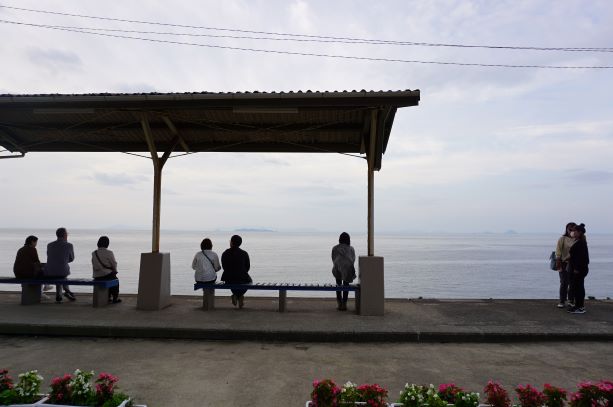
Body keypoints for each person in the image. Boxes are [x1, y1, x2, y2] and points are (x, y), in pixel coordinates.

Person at [44, 227, 76, 303]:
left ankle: (60, 295)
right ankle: (66, 292)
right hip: (62, 272)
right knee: (61, 274)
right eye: (67, 234)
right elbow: (71, 259)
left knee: (59, 273)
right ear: (65, 235)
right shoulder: (69, 245)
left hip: (49, 271)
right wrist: (64, 260)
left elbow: (49, 256)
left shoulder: (49, 245)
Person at [221, 235, 251, 309]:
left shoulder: (225, 253)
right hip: (241, 277)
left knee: (233, 281)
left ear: (231, 242)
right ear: (240, 243)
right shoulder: (244, 253)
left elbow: (224, 267)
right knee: (249, 281)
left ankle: (236, 295)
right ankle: (239, 296)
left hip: (228, 278)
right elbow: (247, 268)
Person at [91, 236, 121, 304]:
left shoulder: (94, 253)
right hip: (106, 275)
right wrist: (115, 271)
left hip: (97, 276)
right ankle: (115, 298)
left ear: (98, 243)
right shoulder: (109, 252)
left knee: (110, 279)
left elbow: (94, 264)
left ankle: (108, 297)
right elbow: (114, 263)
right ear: (107, 244)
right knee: (115, 280)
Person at [331, 232, 356, 311]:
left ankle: (339, 304)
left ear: (340, 239)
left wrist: (339, 265)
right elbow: (353, 259)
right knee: (346, 285)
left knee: (338, 285)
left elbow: (333, 259)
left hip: (337, 269)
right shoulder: (351, 249)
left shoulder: (335, 248)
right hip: (348, 270)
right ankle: (344, 304)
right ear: (348, 239)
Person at [568, 223, 589, 314]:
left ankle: (580, 307)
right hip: (578, 268)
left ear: (579, 232)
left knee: (578, 288)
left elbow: (581, 258)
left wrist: (576, 269)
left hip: (579, 269)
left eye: (574, 231)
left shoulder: (581, 243)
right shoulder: (578, 241)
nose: (572, 232)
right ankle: (578, 305)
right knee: (577, 287)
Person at [554, 222, 576, 308]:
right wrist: (558, 264)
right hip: (563, 263)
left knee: (573, 283)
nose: (571, 231)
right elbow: (558, 251)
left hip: (574, 264)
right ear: (566, 229)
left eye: (573, 229)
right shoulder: (562, 239)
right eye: (569, 229)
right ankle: (562, 301)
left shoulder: (577, 239)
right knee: (564, 282)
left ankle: (571, 300)